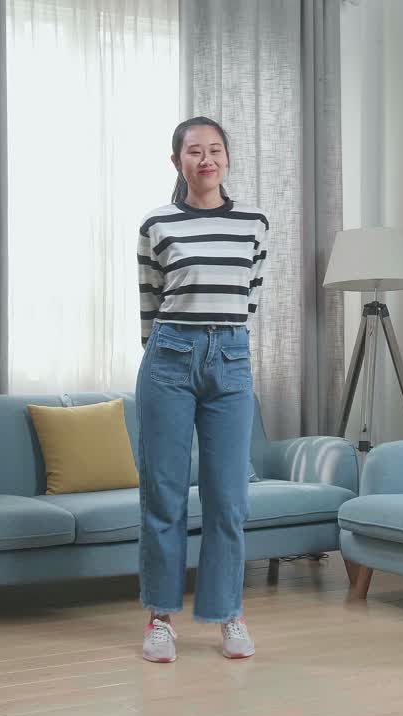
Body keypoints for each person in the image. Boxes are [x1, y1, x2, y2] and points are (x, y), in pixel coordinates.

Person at [134, 116, 268, 663]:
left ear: (227, 159)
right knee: (162, 495)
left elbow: (248, 298)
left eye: (215, 150)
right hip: (169, 357)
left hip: (231, 360)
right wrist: (171, 352)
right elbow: (149, 304)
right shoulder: (156, 224)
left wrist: (219, 342)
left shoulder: (255, 223)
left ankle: (228, 615)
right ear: (177, 162)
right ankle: (159, 619)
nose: (206, 159)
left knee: (228, 499)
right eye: (194, 151)